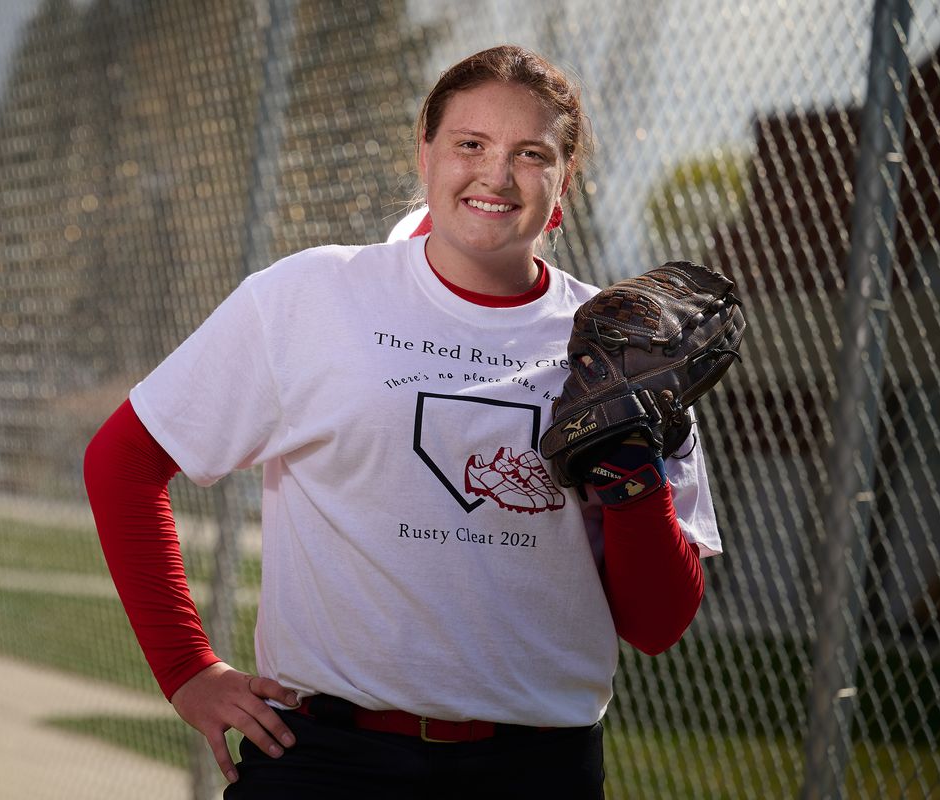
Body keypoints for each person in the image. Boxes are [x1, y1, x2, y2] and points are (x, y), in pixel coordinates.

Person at [83, 44, 719, 799]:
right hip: (326, 756)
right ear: (426, 155)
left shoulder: (623, 351)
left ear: (564, 185)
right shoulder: (312, 295)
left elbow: (657, 625)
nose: (494, 174)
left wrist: (632, 474)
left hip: (534, 768)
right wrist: (188, 669)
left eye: (530, 154)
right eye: (470, 145)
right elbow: (122, 461)